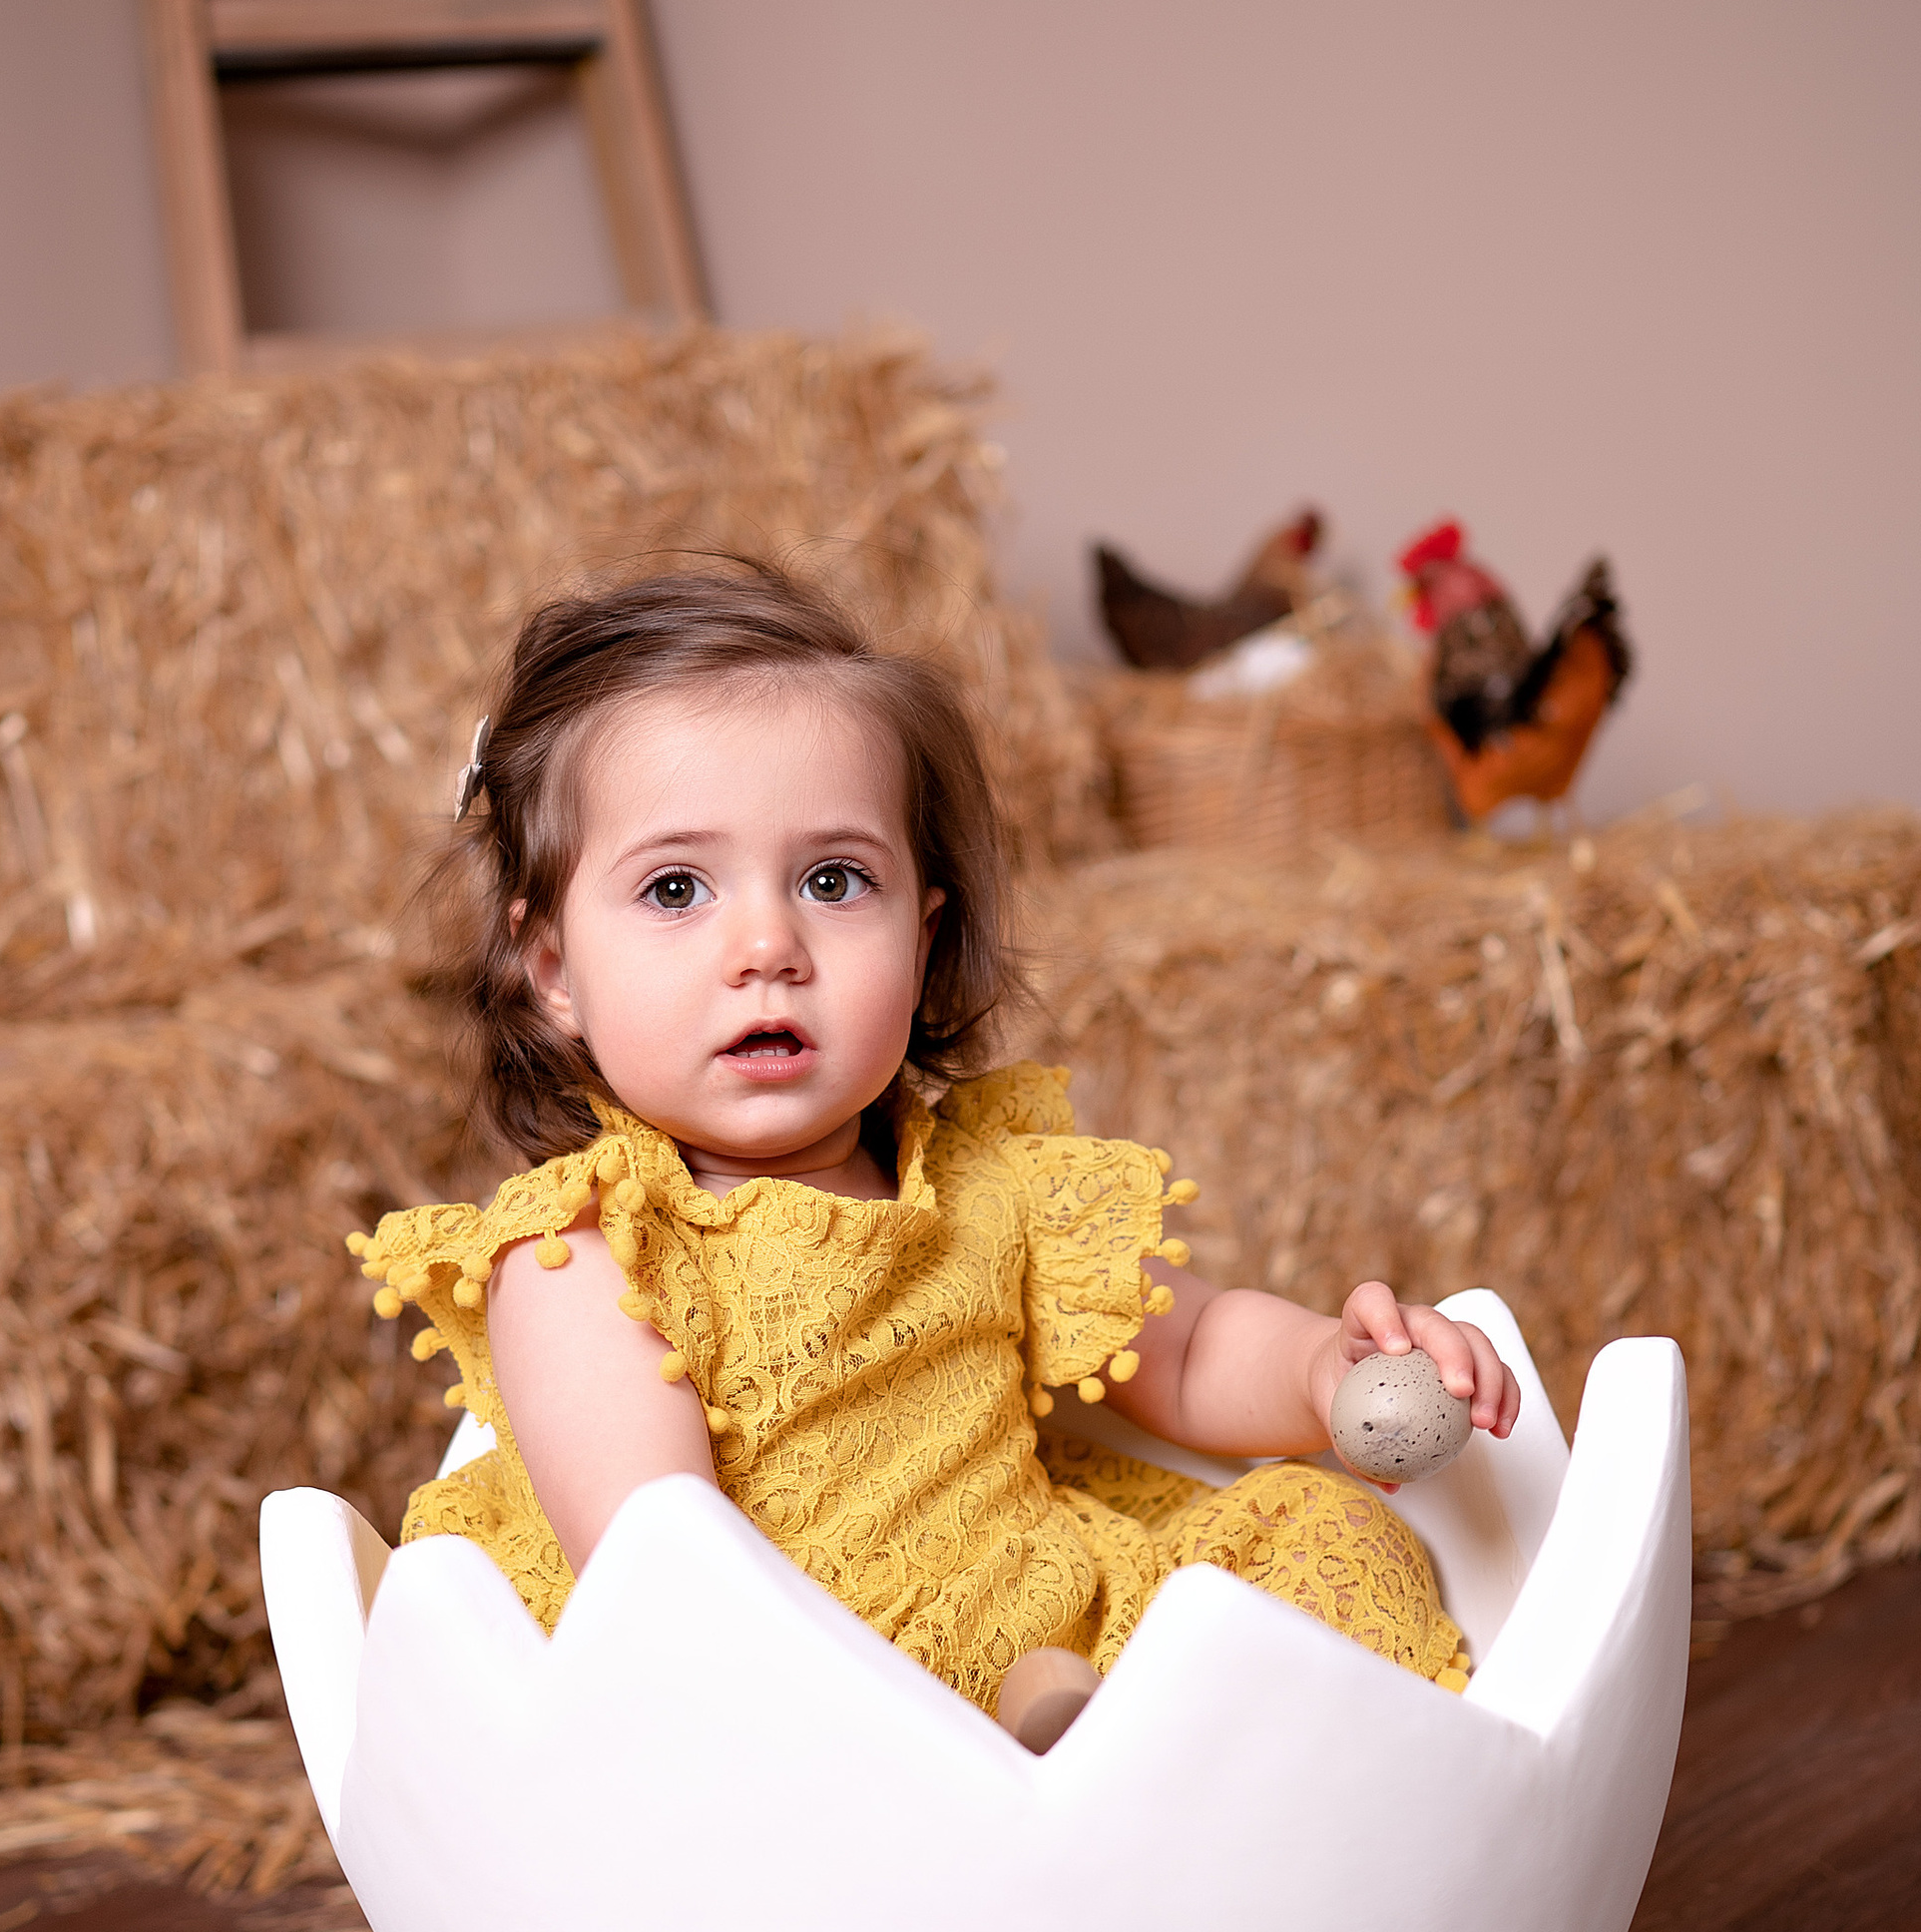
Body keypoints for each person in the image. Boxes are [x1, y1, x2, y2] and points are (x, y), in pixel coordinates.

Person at [351, 561, 1516, 1748]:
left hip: (1047, 1609)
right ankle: (1061, 1782)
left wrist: (1326, 1365)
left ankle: (1177, 1789)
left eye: (832, 879)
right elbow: (663, 1561)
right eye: (676, 887)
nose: (767, 944)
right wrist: (897, 1735)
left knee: (1325, 1533)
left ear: (923, 933)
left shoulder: (989, 1180)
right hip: (790, 1699)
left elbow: (1188, 1347)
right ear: (553, 970)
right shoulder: (584, 1259)